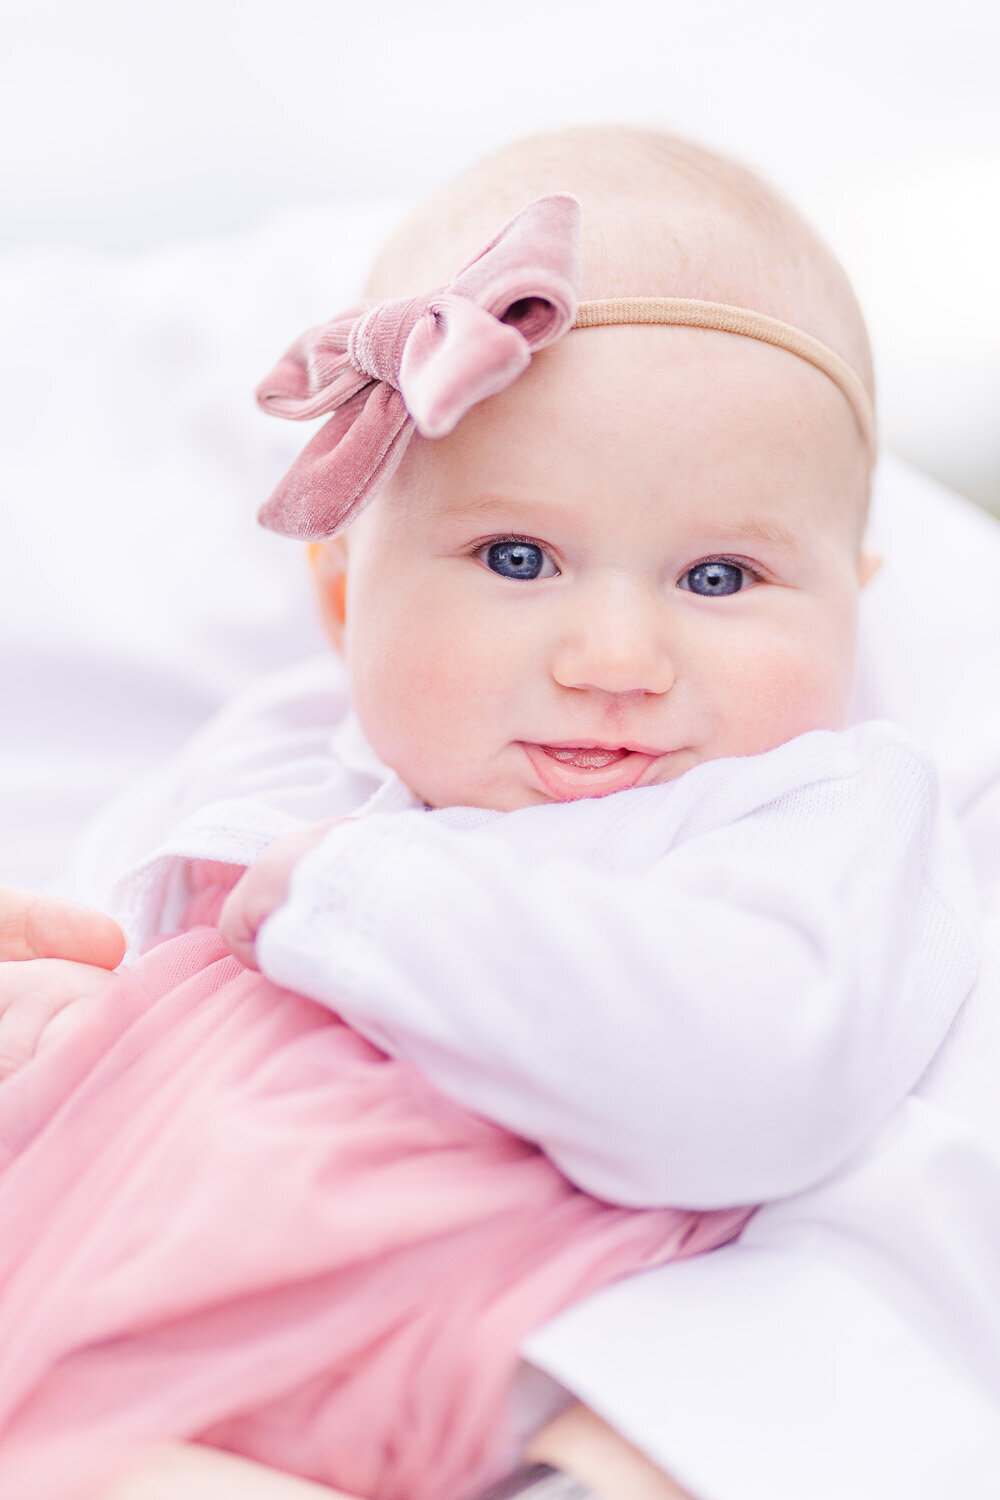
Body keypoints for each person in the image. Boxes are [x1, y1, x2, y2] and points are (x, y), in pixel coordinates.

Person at [0, 128, 986, 1500]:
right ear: (344, 596)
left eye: (721, 577)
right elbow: (119, 982)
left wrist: (367, 902)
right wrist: (52, 1015)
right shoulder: (275, 756)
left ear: (852, 599)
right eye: (519, 559)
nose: (618, 654)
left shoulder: (811, 814)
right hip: (91, 1286)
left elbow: (757, 1088)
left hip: (387, 1355)